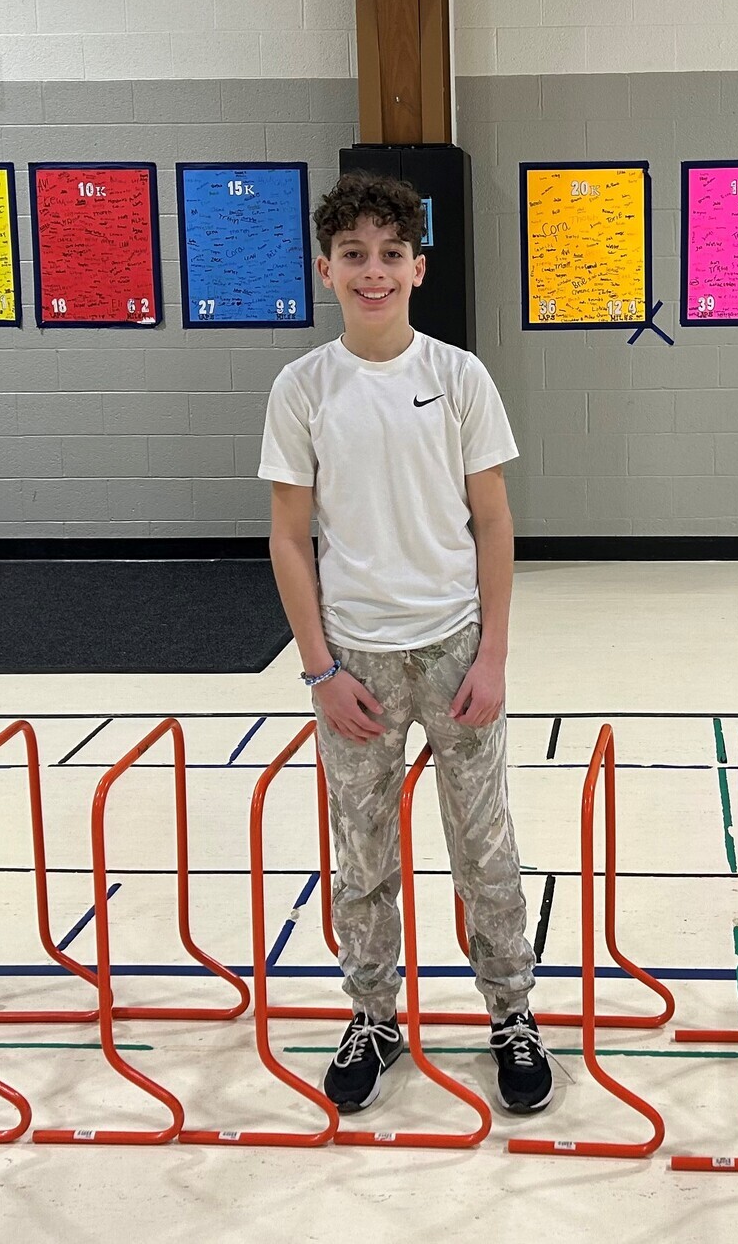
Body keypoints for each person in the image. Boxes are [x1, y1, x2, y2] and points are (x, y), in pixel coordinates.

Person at [259, 172, 549, 1114]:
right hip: (356, 663)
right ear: (325, 269)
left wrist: (494, 654)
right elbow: (287, 536)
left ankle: (511, 1013)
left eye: (391, 254)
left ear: (418, 268)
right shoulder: (302, 388)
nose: (372, 272)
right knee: (362, 854)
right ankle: (372, 1016)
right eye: (354, 256)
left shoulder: (458, 376)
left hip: (454, 648)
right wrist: (320, 669)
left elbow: (495, 523)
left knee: (484, 846)